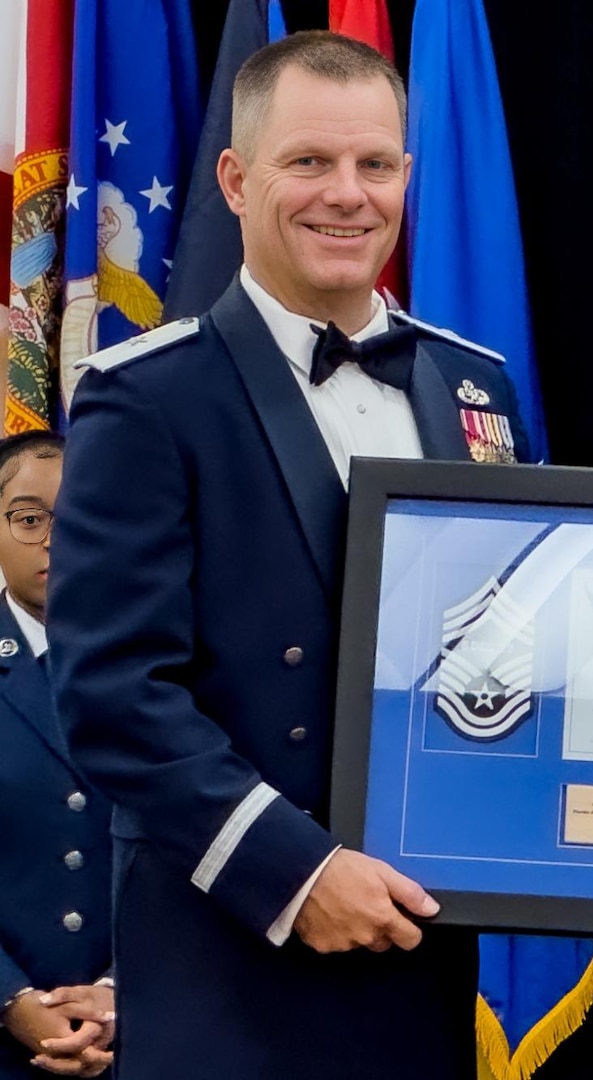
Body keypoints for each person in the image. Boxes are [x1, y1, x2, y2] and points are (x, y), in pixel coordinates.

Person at [47, 32, 530, 1080]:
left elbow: (525, 655)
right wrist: (297, 875)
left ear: (407, 175)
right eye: (308, 162)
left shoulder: (474, 385)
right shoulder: (147, 394)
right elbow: (113, 691)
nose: (346, 195)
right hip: (233, 957)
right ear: (235, 177)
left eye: (374, 164)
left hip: (420, 948)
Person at [0, 432, 115, 1079]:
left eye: (77, 516)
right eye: (28, 519)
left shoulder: (175, 669)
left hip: (150, 1036)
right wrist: (11, 1001)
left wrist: (117, 996)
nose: (52, 538)